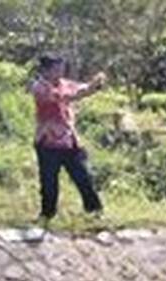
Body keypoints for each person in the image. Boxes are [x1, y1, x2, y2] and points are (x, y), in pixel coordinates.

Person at [29, 55, 105, 222]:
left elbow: (80, 90)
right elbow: (62, 97)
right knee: (49, 182)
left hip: (70, 141)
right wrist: (88, 89)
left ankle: (94, 210)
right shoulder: (39, 87)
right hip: (48, 141)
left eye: (61, 68)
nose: (61, 71)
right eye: (57, 68)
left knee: (84, 177)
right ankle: (47, 215)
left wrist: (94, 85)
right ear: (46, 70)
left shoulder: (65, 83)